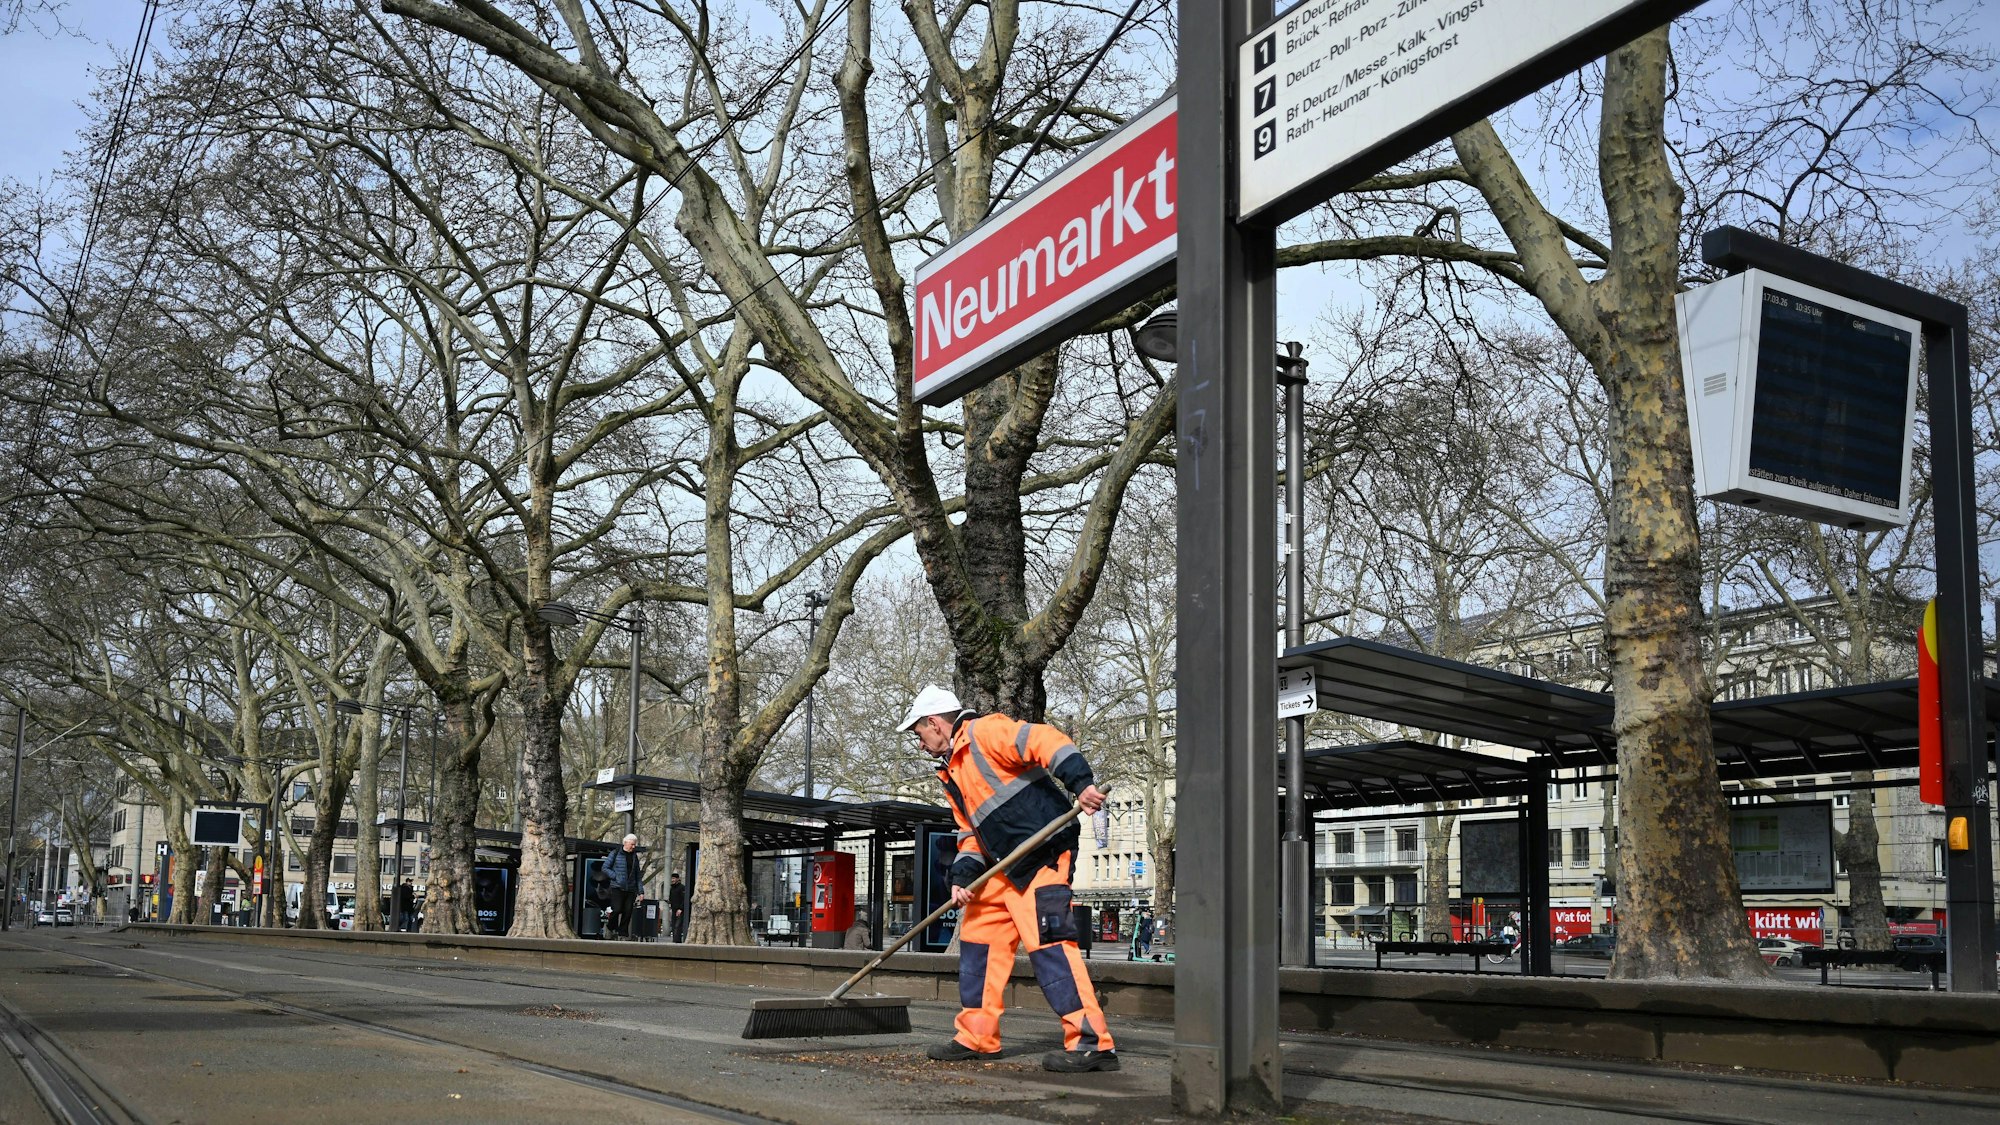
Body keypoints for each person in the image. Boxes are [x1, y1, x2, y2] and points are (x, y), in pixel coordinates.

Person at [899, 684, 1118, 1073]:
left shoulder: (986, 732)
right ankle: (977, 1038)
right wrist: (962, 876)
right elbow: (969, 834)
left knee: (1050, 946)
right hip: (1002, 867)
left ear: (934, 723)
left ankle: (1092, 1044)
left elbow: (1046, 740)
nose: (920, 744)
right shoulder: (951, 774)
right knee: (978, 943)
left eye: (919, 733)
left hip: (1044, 854)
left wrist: (1081, 783)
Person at [600, 834, 643, 939]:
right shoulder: (615, 853)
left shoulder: (634, 856)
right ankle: (610, 927)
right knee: (617, 909)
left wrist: (641, 892)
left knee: (628, 911)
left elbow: (637, 875)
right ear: (626, 843)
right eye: (632, 844)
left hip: (631, 888)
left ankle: (623, 933)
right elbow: (605, 867)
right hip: (617, 887)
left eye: (635, 845)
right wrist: (615, 876)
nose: (634, 847)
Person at [667, 872, 689, 942]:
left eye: (674, 878)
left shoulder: (682, 887)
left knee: (677, 926)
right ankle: (675, 941)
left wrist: (680, 908)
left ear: (677, 879)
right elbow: (671, 898)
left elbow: (684, 899)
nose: (672, 880)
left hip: (680, 910)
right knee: (674, 927)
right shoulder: (672, 888)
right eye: (672, 878)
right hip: (674, 910)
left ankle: (677, 941)